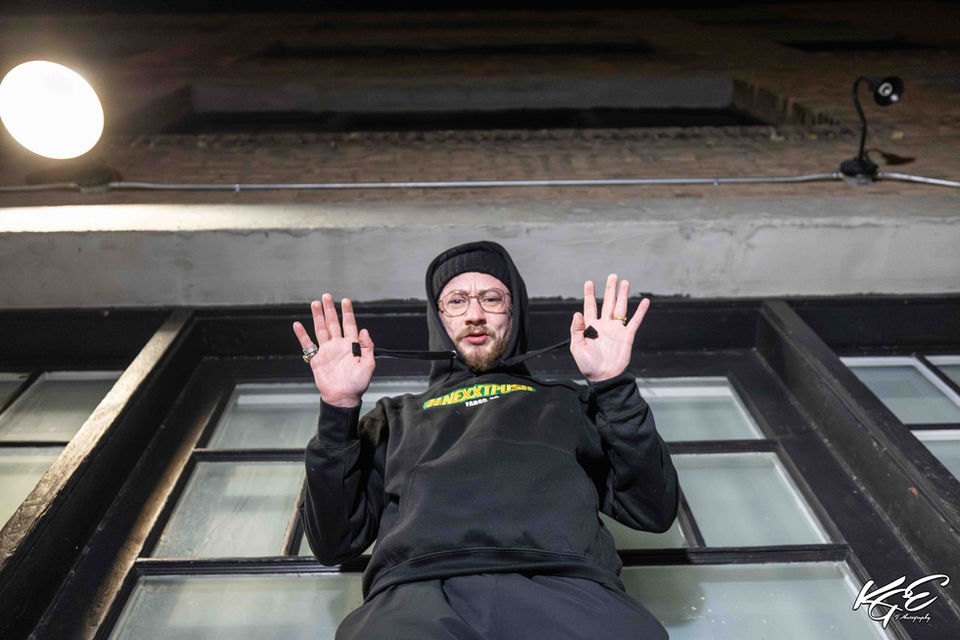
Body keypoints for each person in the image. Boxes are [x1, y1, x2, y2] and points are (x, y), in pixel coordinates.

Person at [292, 240, 678, 639]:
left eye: (491, 298)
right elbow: (334, 541)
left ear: (514, 312)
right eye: (457, 301)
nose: (474, 314)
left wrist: (611, 384)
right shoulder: (393, 417)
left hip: (569, 588)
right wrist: (338, 408)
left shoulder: (568, 401)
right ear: (439, 317)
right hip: (416, 597)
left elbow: (652, 508)